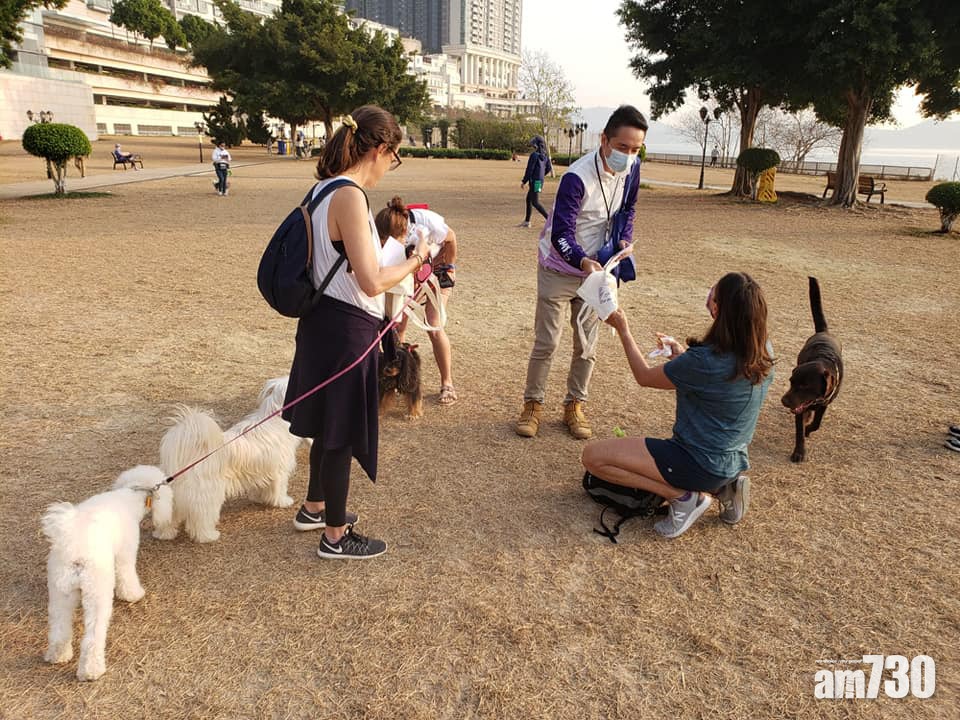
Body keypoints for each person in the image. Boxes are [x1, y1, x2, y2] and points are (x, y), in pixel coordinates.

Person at [284, 105, 430, 560]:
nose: (391, 165)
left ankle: (314, 507)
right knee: (340, 429)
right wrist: (417, 258)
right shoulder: (349, 196)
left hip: (325, 322)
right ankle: (334, 537)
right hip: (346, 326)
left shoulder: (323, 189)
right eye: (394, 155)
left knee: (329, 423)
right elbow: (370, 280)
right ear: (381, 149)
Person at [581, 272, 775, 538]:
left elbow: (644, 377)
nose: (709, 298)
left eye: (713, 295)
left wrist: (622, 329)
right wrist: (682, 358)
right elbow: (718, 385)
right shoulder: (762, 350)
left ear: (718, 308)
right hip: (733, 460)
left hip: (696, 463)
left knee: (593, 458)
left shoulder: (704, 361)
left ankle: (683, 498)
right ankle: (725, 488)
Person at [515, 105, 648, 440]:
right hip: (559, 266)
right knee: (548, 340)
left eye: (635, 150)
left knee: (587, 344)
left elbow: (628, 208)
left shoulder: (632, 170)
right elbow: (560, 232)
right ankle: (533, 404)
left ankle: (574, 404)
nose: (628, 156)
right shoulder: (577, 177)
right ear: (604, 140)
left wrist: (624, 239)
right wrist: (581, 262)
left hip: (598, 270)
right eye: (622, 148)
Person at [387, 202, 459, 405]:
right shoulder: (384, 235)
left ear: (405, 229)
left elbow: (451, 238)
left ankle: (447, 383)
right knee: (397, 326)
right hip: (410, 276)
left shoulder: (428, 223)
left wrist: (448, 267)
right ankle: (395, 380)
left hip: (437, 272)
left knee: (434, 325)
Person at [518, 136, 553, 228]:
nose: (533, 147)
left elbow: (529, 169)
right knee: (529, 199)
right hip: (539, 182)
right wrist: (541, 175)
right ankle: (527, 221)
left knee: (535, 202)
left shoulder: (534, 155)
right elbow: (548, 168)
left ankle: (550, 221)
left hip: (534, 181)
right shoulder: (545, 156)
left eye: (534, 145)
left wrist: (524, 181)